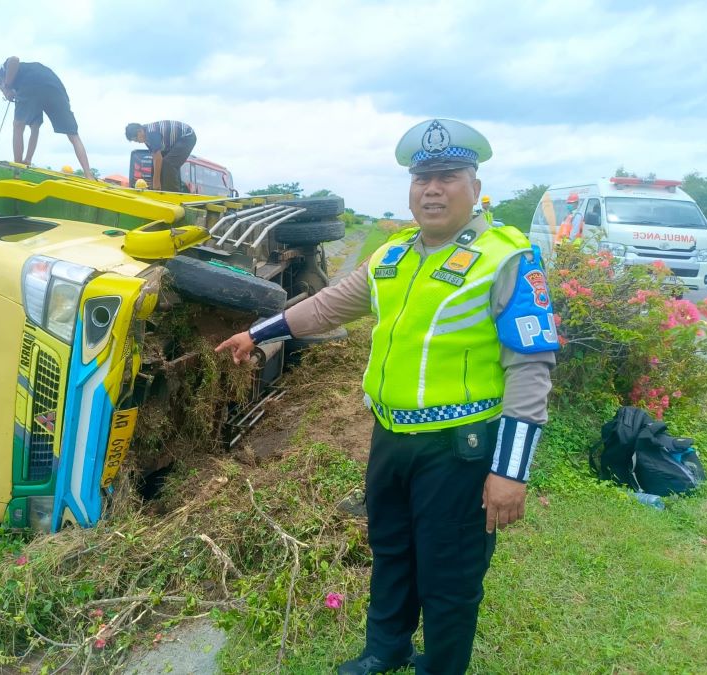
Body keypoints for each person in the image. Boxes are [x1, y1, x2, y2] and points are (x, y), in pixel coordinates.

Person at [216, 118, 559, 675]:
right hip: (391, 439)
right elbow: (327, 307)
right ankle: (386, 648)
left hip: (461, 447)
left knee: (449, 571)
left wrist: (511, 472)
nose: (432, 189)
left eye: (447, 176)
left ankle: (442, 666)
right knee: (393, 550)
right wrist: (257, 333)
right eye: (422, 177)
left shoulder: (508, 259)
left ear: (474, 185)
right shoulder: (393, 256)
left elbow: (531, 367)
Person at [0, 57, 93, 178]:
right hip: (54, 87)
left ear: (2, 79)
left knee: (18, 125)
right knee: (68, 133)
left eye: (0, 88)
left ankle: (17, 167)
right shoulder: (26, 90)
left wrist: (7, 87)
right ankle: (88, 174)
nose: (4, 93)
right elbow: (35, 128)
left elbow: (14, 59)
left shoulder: (8, 72)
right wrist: (28, 159)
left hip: (34, 82)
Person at [125, 121, 197, 192]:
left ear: (140, 131)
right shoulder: (146, 138)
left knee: (168, 163)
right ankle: (157, 191)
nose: (138, 142)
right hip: (173, 143)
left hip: (187, 136)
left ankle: (172, 193)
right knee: (156, 166)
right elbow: (155, 158)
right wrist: (155, 182)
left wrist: (156, 181)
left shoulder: (151, 133)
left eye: (136, 139)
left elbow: (158, 158)